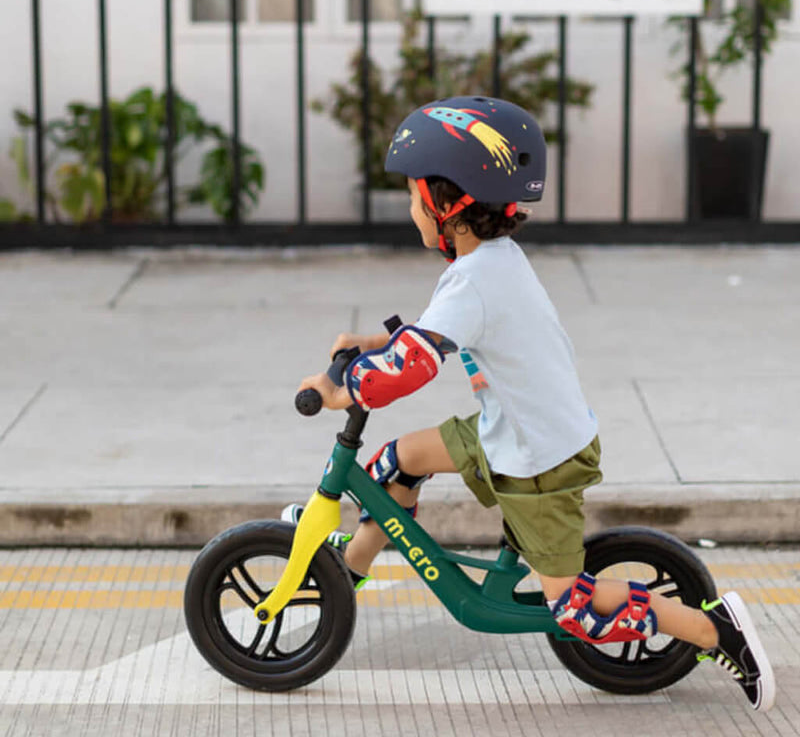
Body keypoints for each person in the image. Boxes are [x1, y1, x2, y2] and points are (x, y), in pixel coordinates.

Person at [288, 96, 775, 712]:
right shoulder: (488, 262)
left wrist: (343, 389)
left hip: (539, 460)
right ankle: (346, 573)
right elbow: (437, 334)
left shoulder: (475, 280)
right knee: (395, 463)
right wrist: (375, 343)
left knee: (574, 611)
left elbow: (414, 366)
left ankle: (712, 629)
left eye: (413, 196)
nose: (409, 209)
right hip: (513, 430)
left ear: (447, 204)